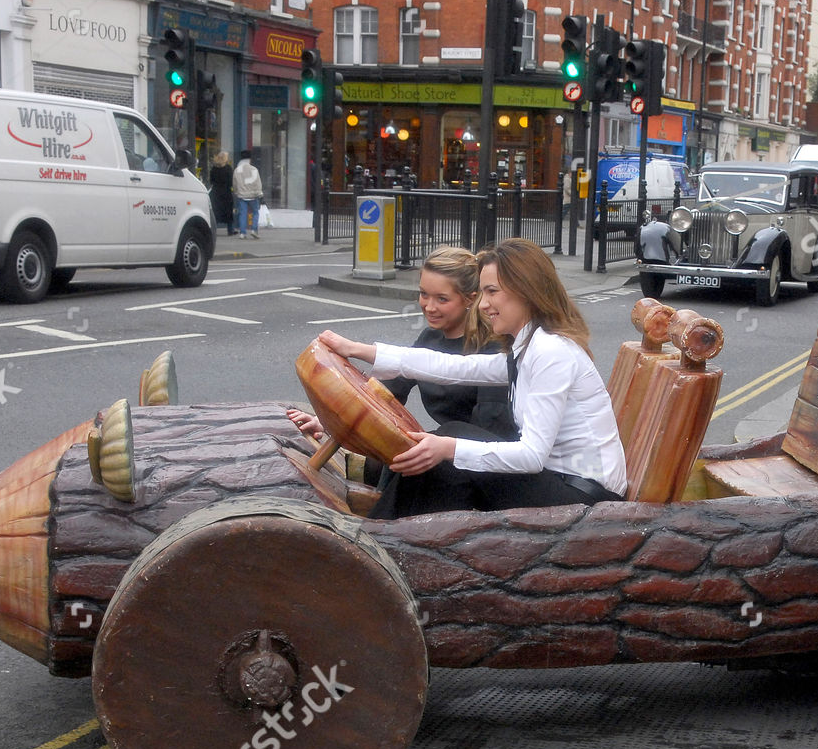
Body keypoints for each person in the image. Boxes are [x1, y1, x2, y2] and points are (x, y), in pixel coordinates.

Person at [313, 237, 627, 519]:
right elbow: (452, 367)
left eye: (492, 292)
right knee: (447, 445)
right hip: (561, 484)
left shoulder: (551, 351)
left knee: (448, 448)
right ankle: (399, 534)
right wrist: (358, 349)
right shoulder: (530, 347)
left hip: (586, 499)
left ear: (527, 292)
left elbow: (532, 455)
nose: (484, 304)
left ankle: (384, 535)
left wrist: (447, 448)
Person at [288, 246, 517, 477]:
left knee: (398, 464)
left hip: (479, 458)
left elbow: (489, 429)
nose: (429, 306)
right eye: (424, 294)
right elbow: (385, 393)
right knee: (382, 463)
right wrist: (330, 423)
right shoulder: (430, 338)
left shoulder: (493, 348)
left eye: (442, 299)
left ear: (471, 299)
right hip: (446, 443)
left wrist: (434, 446)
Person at [232, 149, 263, 240]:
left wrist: (236, 192)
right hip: (253, 195)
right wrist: (259, 193)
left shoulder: (237, 170)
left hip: (242, 195)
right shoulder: (254, 169)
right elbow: (258, 183)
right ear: (250, 159)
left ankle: (242, 233)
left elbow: (235, 183)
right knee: (255, 212)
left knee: (243, 214)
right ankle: (254, 230)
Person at [208, 151, 235, 238]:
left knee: (216, 211)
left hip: (216, 192)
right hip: (226, 192)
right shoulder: (228, 168)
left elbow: (211, 180)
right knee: (228, 211)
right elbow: (231, 181)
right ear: (225, 158)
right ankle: (230, 230)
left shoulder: (214, 168)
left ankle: (213, 230)